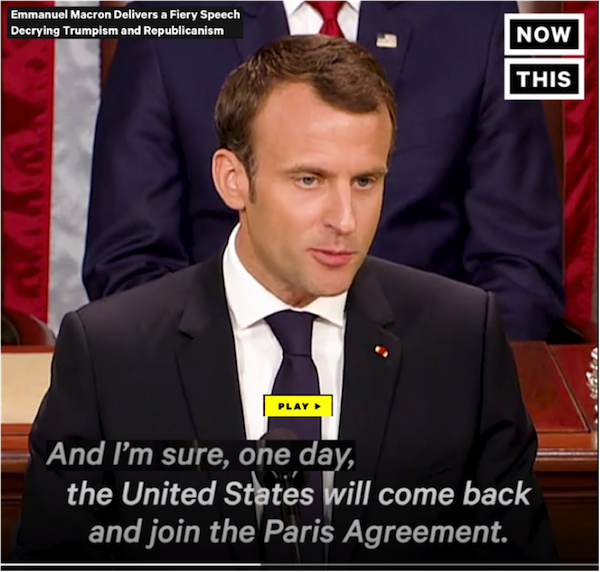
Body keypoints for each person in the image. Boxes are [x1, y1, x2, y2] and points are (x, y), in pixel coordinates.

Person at [10, 35, 556, 565]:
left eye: (365, 181)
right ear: (233, 180)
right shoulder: (110, 355)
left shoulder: (461, 340)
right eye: (309, 180)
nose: (345, 220)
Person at [82, 0, 565, 342]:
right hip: (216, 381)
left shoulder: (483, 19)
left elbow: (521, 269)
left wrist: (434, 387)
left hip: (423, 377)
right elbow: (128, 264)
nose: (342, 219)